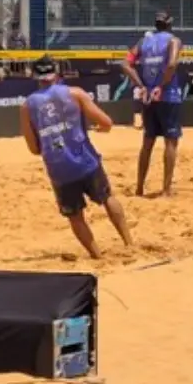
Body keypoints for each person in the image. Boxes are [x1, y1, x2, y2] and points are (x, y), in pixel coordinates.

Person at [19, 56, 133, 259]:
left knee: (75, 216)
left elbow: (34, 149)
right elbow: (107, 122)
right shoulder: (75, 94)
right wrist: (96, 130)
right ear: (56, 73)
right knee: (107, 198)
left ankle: (97, 256)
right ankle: (129, 243)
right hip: (85, 160)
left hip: (59, 169)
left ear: (35, 76)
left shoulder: (28, 106)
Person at [123, 12, 183, 197]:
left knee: (147, 143)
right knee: (170, 142)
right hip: (168, 95)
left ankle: (139, 188)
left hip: (148, 97)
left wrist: (141, 86)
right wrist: (161, 86)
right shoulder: (173, 41)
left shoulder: (144, 42)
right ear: (170, 24)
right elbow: (172, 64)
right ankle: (166, 190)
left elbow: (125, 64)